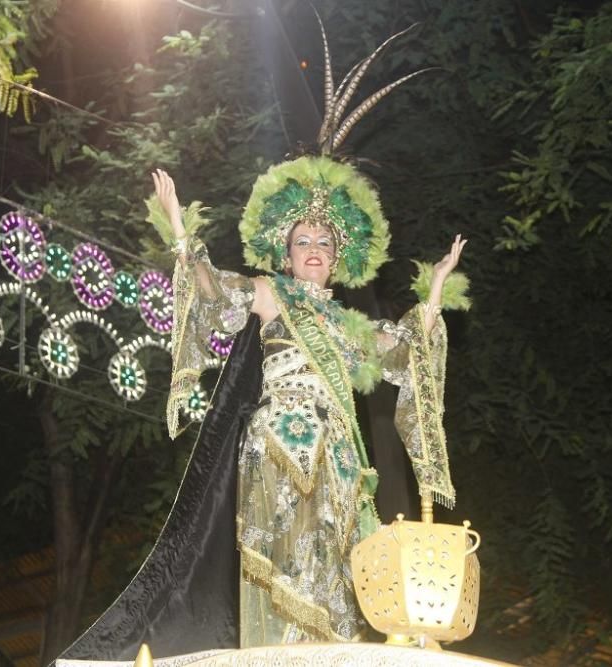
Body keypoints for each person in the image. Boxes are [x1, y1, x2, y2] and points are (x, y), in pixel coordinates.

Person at [152, 156, 468, 645]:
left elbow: (406, 350)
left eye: (324, 242)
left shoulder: (349, 325)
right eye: (303, 241)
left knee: (335, 567)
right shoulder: (271, 294)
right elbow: (213, 291)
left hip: (340, 459)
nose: (314, 249)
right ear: (286, 255)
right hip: (283, 439)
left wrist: (437, 288)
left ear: (337, 257)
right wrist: (180, 230)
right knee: (290, 562)